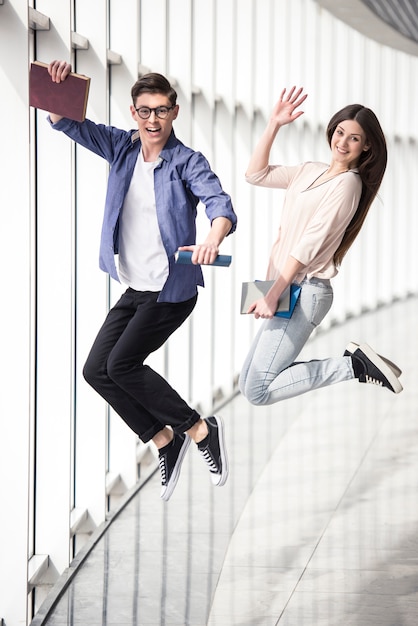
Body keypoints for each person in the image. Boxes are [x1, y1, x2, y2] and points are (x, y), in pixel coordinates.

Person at [47, 60, 237, 500]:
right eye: (145, 111)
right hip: (136, 286)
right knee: (96, 370)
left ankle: (200, 429)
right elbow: (68, 124)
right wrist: (56, 91)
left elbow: (219, 202)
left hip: (171, 290)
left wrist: (213, 236)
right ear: (134, 113)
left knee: (122, 366)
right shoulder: (122, 148)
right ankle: (163, 441)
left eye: (162, 110)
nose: (154, 119)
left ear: (174, 112)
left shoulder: (187, 161)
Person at [239, 86, 402, 408]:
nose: (342, 142)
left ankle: (352, 365)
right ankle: (354, 363)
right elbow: (255, 174)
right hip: (286, 285)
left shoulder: (349, 184)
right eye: (340, 132)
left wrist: (273, 293)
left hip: (304, 289)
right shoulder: (309, 170)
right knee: (248, 382)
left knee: (258, 390)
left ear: (367, 145)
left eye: (354, 138)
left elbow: (309, 244)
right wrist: (274, 124)